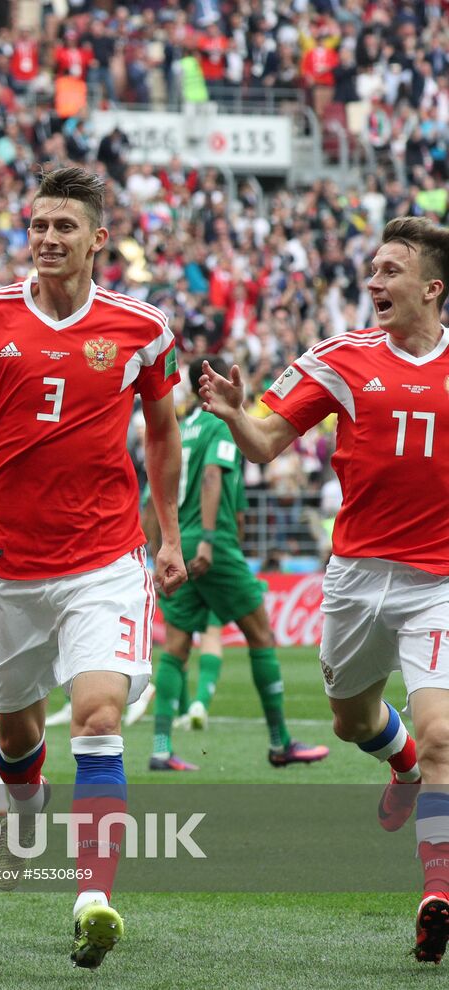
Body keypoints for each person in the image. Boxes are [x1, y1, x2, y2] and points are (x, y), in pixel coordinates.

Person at [0, 167, 186, 969]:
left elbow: (163, 433)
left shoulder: (143, 328)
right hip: (4, 567)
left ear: (98, 239)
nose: (48, 239)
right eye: (37, 227)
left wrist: (166, 536)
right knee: (19, 736)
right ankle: (26, 801)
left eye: (65, 227)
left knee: (99, 717)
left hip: (104, 559)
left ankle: (93, 898)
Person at [199, 216, 449, 963]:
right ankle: (400, 765)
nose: (373, 282)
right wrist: (235, 414)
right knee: (350, 720)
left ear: (432, 288)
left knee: (443, 735)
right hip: (356, 578)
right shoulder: (339, 359)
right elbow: (267, 441)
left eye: (389, 271)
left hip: (438, 583)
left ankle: (437, 891)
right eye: (371, 270)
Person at [146, 357, 330, 771]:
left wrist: (160, 546)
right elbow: (213, 477)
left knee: (175, 648)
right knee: (261, 635)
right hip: (213, 544)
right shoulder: (218, 424)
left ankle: (159, 748)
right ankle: (281, 741)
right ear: (208, 385)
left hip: (178, 541)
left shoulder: (179, 427)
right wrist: (209, 541)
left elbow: (149, 497)